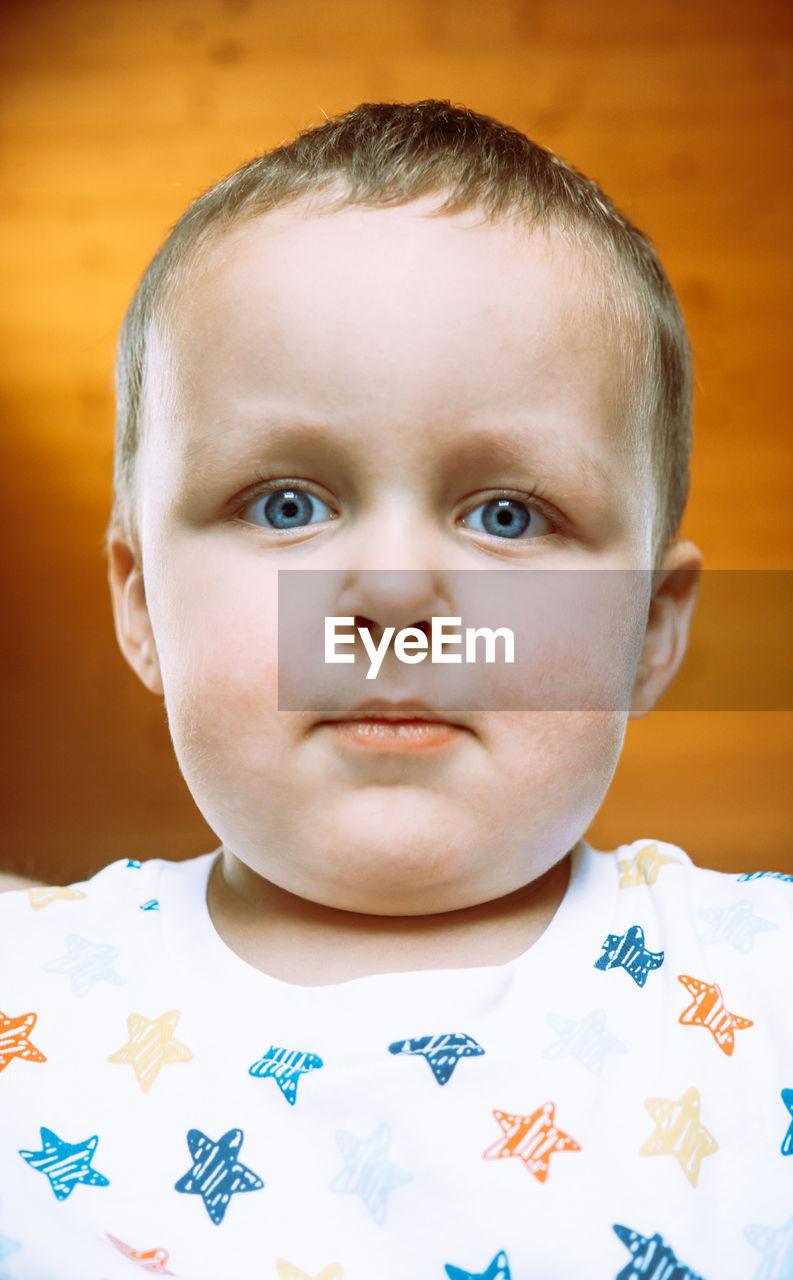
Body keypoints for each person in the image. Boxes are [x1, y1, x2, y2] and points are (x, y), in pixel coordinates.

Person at [0, 100, 789, 1280]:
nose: (394, 592)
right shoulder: (24, 992)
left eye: (507, 514)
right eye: (286, 503)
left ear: (645, 634)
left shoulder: (766, 985)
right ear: (140, 602)